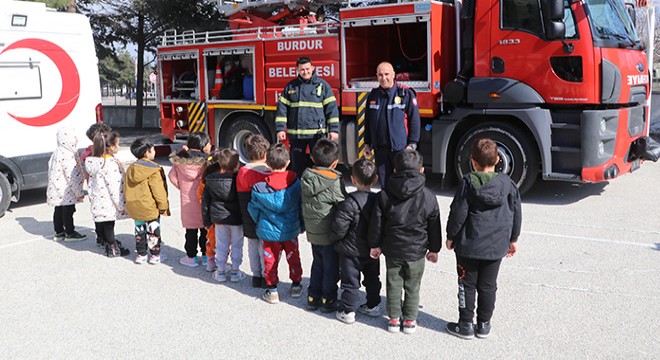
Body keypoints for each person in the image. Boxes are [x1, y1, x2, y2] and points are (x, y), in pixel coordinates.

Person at [445, 138, 521, 340]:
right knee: (488, 286)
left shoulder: (468, 182)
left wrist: (451, 236)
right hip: (495, 247)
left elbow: (458, 212)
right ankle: (484, 325)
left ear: (473, 161)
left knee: (466, 285)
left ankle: (466, 325)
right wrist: (513, 239)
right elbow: (516, 213)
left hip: (468, 245)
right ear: (497, 160)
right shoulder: (508, 184)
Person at [369, 149, 441, 334]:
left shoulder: (384, 195)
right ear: (422, 170)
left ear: (394, 170)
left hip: (392, 249)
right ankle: (409, 320)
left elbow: (377, 223)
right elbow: (434, 226)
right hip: (416, 251)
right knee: (413, 285)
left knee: (393, 282)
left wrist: (375, 244)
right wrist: (434, 249)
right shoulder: (429, 197)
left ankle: (393, 319)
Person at [248, 143, 304, 304]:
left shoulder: (259, 188)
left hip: (268, 232)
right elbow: (301, 205)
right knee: (293, 257)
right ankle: (296, 285)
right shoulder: (295, 183)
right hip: (291, 229)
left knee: (270, 260)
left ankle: (272, 290)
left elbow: (253, 208)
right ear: (287, 162)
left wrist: (259, 222)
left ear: (267, 163)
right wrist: (302, 225)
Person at [330, 158, 382, 324]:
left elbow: (339, 228)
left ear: (352, 180)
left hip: (350, 251)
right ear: (375, 179)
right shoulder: (379, 201)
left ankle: (348, 310)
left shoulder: (349, 202)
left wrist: (334, 240)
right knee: (373, 278)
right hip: (372, 249)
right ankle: (373, 305)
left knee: (350, 282)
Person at [301, 138, 346, 312]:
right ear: (335, 163)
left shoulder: (306, 177)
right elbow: (344, 204)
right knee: (331, 268)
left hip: (313, 232)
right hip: (329, 233)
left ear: (313, 158)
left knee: (317, 263)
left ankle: (313, 297)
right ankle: (328, 300)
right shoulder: (335, 181)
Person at [275, 56, 340, 177]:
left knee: (320, 165)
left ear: (313, 68)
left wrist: (334, 129)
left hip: (317, 135)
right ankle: (298, 189)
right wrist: (280, 128)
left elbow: (332, 109)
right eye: (302, 69)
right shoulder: (291, 87)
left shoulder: (322, 85)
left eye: (307, 69)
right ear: (297, 70)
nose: (305, 72)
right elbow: (282, 109)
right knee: (297, 166)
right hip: (296, 136)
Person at [364, 61, 421, 188]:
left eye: (386, 74)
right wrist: (367, 144)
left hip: (400, 150)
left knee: (401, 185)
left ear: (394, 74)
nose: (384, 78)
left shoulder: (405, 94)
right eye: (380, 75)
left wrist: (412, 144)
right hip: (380, 150)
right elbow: (368, 122)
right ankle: (387, 207)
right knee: (385, 185)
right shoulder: (373, 96)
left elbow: (414, 120)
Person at [202, 148, 246, 283]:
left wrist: (207, 221)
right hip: (237, 219)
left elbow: (205, 203)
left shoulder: (210, 180)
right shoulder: (239, 179)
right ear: (237, 164)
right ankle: (235, 271)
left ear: (219, 164)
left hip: (219, 219)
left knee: (221, 245)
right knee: (237, 244)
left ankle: (220, 270)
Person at [168, 132, 212, 267]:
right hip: (203, 201)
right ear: (203, 145)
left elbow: (172, 177)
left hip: (187, 202)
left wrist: (182, 187)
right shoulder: (207, 162)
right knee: (205, 231)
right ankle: (206, 256)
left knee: (190, 231)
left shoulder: (180, 161)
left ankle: (191, 257)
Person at [124, 137, 170, 265]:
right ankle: (154, 256)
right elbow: (158, 190)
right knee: (153, 231)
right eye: (153, 149)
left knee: (139, 230)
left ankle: (141, 255)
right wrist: (163, 205)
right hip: (150, 206)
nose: (154, 152)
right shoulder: (153, 169)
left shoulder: (131, 168)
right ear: (147, 152)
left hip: (135, 206)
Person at [85, 130, 130, 257]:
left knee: (104, 224)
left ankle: (106, 242)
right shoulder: (110, 164)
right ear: (111, 147)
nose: (119, 146)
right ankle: (113, 247)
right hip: (109, 201)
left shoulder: (94, 161)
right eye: (118, 144)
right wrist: (121, 205)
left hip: (99, 199)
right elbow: (114, 187)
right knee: (109, 224)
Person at [236, 134, 271, 288]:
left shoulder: (242, 172)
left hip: (247, 214)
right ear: (265, 153)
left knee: (252, 244)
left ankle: (255, 275)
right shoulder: (268, 172)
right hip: (264, 216)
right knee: (264, 245)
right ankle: (265, 275)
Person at [47, 127, 87, 241]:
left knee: (58, 209)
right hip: (66, 190)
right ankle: (70, 232)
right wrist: (79, 192)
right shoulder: (68, 155)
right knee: (68, 210)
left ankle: (59, 232)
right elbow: (72, 176)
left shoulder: (57, 152)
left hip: (56, 188)